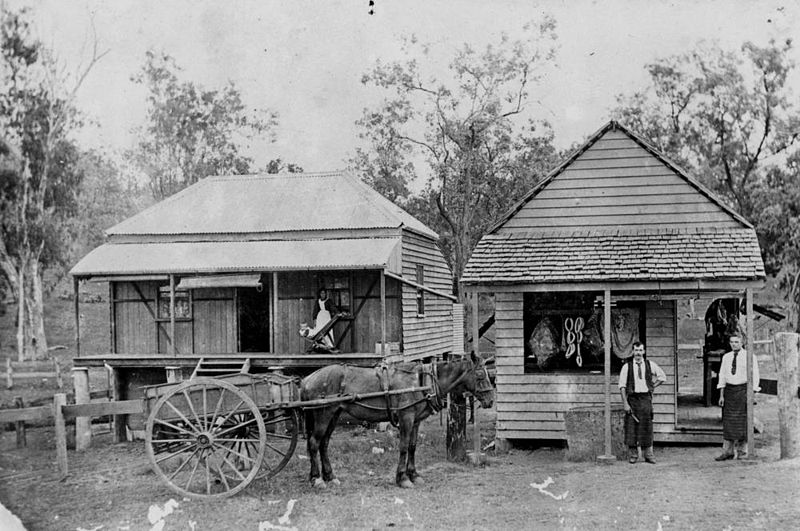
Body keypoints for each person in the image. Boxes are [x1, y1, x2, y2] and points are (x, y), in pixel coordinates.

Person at [618, 341, 667, 464]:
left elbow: (662, 377)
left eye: (640, 350)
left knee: (647, 426)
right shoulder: (626, 367)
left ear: (644, 351)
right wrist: (625, 403)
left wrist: (651, 387)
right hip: (633, 399)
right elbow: (622, 386)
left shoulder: (650, 364)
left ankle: (648, 454)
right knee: (632, 427)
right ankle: (634, 454)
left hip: (646, 399)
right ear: (633, 352)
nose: (638, 353)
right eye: (636, 350)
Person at [715, 334, 760, 461]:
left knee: (743, 422)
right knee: (728, 422)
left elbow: (755, 375)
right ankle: (727, 451)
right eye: (731, 342)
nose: (734, 344)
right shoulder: (726, 357)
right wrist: (721, 395)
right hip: (729, 392)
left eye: (736, 342)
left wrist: (753, 393)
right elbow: (722, 375)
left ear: (742, 342)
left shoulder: (750, 356)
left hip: (743, 391)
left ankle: (742, 452)